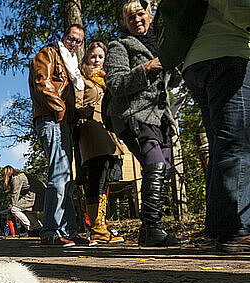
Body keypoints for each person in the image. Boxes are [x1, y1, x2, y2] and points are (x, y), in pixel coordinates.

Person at [104, 0, 188, 247]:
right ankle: (151, 229)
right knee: (155, 164)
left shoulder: (161, 43)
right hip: (133, 114)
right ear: (125, 23)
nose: (137, 20)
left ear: (150, 15)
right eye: (131, 18)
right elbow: (116, 84)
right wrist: (147, 67)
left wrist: (176, 67)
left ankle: (152, 230)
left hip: (160, 115)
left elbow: (170, 82)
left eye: (140, 14)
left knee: (163, 168)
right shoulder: (119, 45)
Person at [179, 1, 250, 252]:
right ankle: (233, 229)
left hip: (196, 59)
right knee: (236, 143)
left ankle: (220, 226)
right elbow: (236, 6)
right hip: (225, 51)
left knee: (222, 144)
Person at [29, 23, 95, 247]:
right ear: (64, 37)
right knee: (58, 175)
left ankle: (68, 230)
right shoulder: (48, 53)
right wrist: (59, 111)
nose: (74, 43)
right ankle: (50, 231)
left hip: (63, 121)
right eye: (71, 38)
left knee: (66, 178)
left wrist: (76, 112)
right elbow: (43, 83)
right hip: (52, 119)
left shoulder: (71, 64)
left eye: (78, 41)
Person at [76, 42, 126, 244]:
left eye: (100, 56)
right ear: (86, 57)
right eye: (93, 56)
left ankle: (101, 225)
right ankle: (95, 228)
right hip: (92, 132)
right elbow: (76, 104)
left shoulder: (107, 80)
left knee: (106, 179)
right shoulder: (82, 78)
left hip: (109, 133)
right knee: (95, 178)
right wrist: (83, 111)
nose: (97, 60)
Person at [1, 166, 44, 236]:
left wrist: (9, 211)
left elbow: (15, 195)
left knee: (14, 209)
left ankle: (31, 228)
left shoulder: (16, 178)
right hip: (41, 193)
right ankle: (39, 228)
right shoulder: (21, 176)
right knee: (29, 212)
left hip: (34, 194)